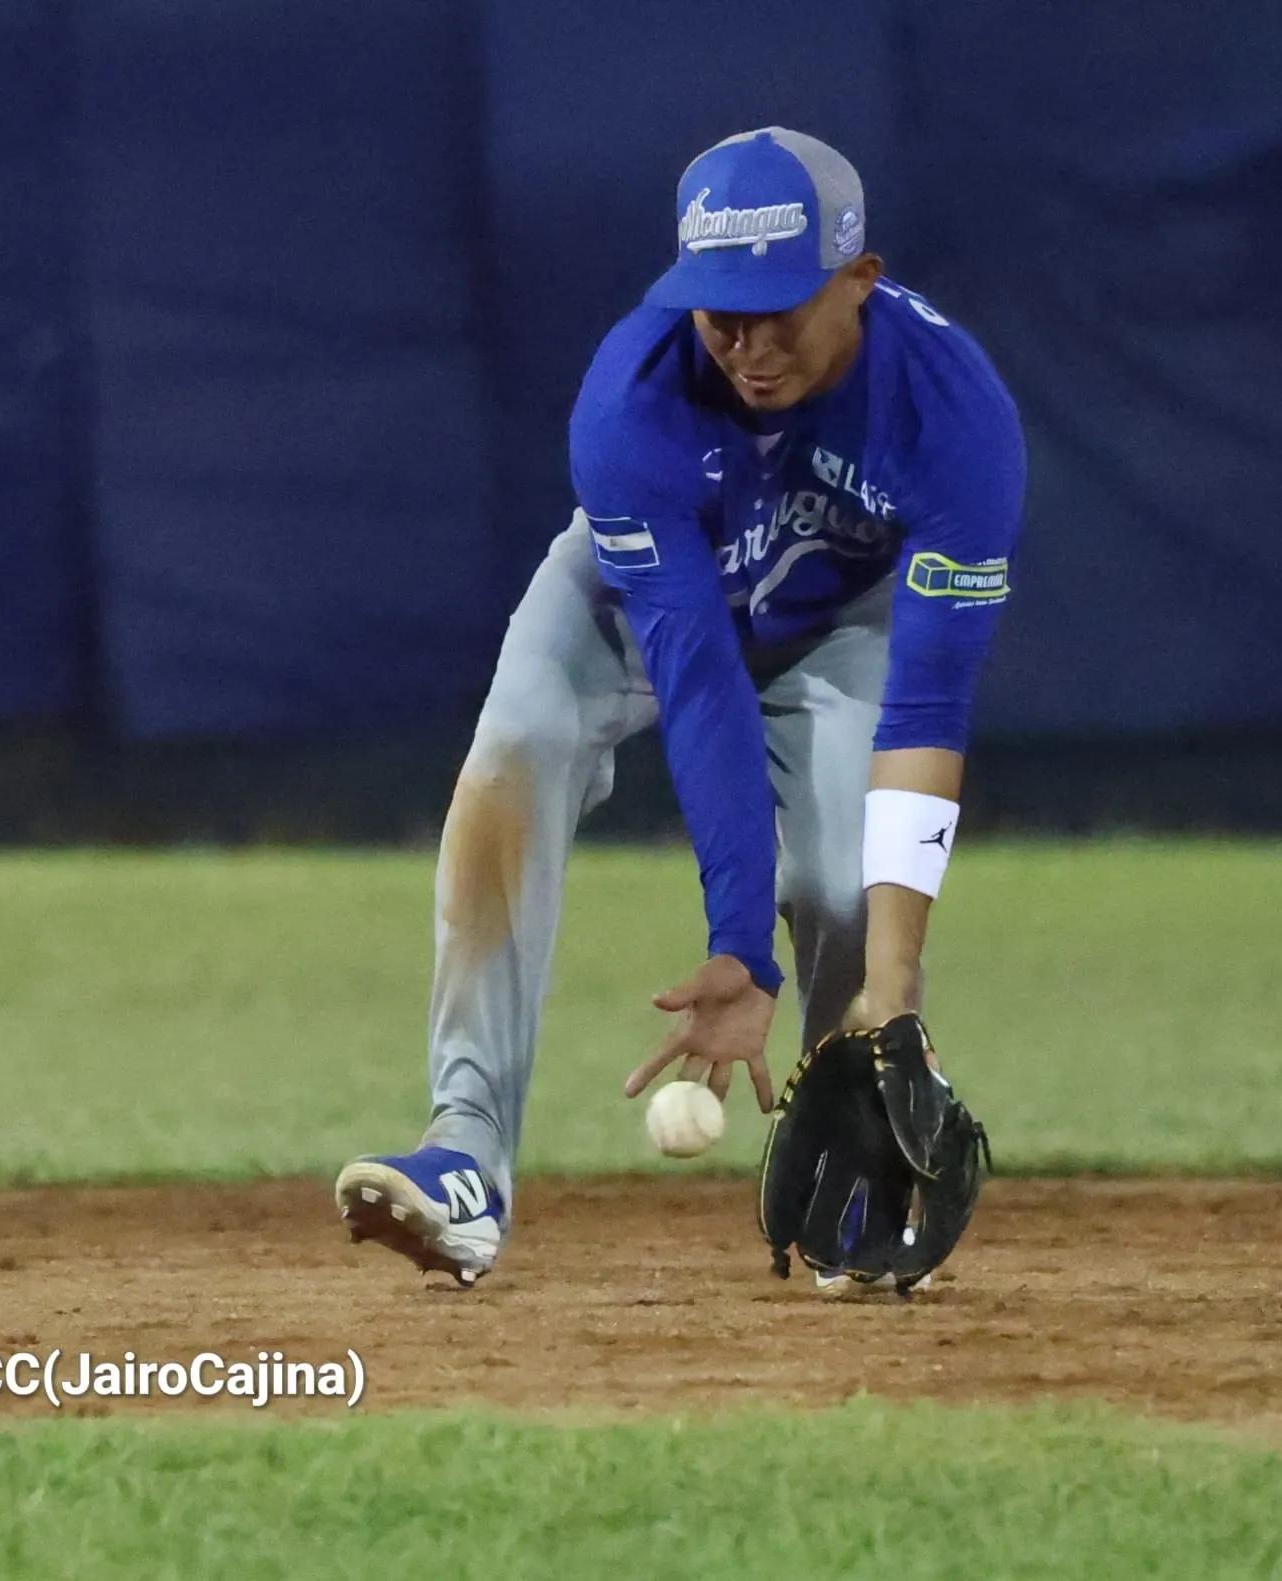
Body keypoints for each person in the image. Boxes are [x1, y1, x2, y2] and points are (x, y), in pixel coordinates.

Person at [335, 126, 1025, 1288]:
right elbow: (697, 668)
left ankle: (855, 1158)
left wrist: (894, 989)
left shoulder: (954, 417)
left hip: (841, 630)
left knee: (841, 882)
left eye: (776, 309)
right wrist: (733, 947)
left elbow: (927, 707)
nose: (746, 345)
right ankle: (464, 1156)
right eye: (720, 312)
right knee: (514, 751)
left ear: (859, 278)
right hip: (648, 607)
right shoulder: (633, 398)